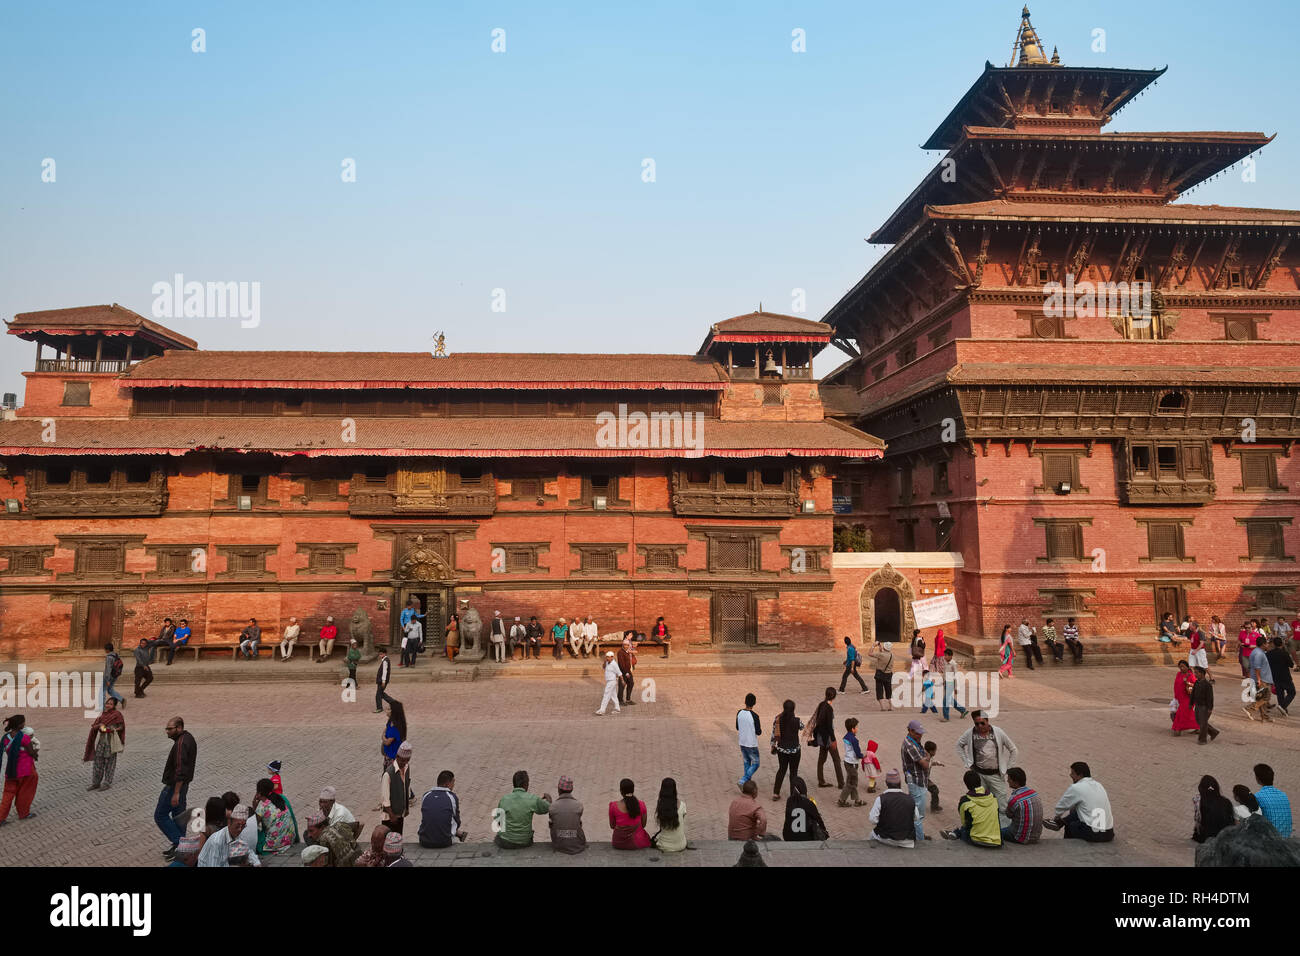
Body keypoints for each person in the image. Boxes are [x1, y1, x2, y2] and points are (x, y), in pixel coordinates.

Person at [955, 710, 1018, 823]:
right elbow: (959, 745)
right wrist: (967, 762)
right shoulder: (970, 733)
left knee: (1002, 804)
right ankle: (985, 825)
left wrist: (1008, 768)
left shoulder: (998, 732)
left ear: (988, 721)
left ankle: (1003, 830)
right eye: (976, 723)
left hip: (996, 775)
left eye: (982, 723)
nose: (979, 726)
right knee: (981, 803)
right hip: (979, 775)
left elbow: (1013, 750)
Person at [156, 716, 196, 860]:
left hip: (175, 786)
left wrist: (176, 793)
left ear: (179, 728)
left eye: (170, 729)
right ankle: (178, 846)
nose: (167, 731)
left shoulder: (180, 744)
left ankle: (182, 845)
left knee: (160, 815)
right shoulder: (188, 738)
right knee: (179, 817)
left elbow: (180, 770)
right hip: (183, 785)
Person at [1042, 762, 1115, 842]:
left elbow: (1060, 807)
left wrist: (1057, 817)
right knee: (1077, 810)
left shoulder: (1076, 787)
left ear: (1080, 775)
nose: (1070, 775)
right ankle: (1059, 823)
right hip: (1109, 833)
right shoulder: (1099, 785)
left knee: (1071, 825)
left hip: (1094, 834)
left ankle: (1066, 845)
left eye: (1072, 773)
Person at [940, 771, 1002, 847]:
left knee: (966, 827)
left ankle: (956, 833)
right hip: (997, 840)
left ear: (966, 785)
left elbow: (965, 823)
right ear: (980, 781)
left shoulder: (965, 801)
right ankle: (955, 833)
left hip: (976, 839)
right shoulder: (993, 797)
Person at [495, 770, 551, 849]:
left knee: (498, 837)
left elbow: (498, 821)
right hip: (524, 841)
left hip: (505, 842)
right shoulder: (533, 799)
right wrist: (548, 798)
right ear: (526, 784)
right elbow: (547, 808)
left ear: (514, 784)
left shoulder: (504, 799)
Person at [0, 715, 38, 823]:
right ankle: (24, 813)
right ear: (19, 725)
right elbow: (31, 753)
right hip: (26, 771)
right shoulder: (24, 737)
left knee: (8, 794)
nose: (24, 724)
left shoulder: (5, 738)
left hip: (11, 770)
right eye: (23, 722)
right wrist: (36, 753)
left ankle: (1, 817)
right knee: (25, 792)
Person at [868, 769, 920, 848]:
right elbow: (916, 818)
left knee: (871, 835)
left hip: (885, 838)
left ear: (886, 783)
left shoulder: (881, 798)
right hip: (907, 841)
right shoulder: (910, 799)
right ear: (900, 783)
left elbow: (872, 820)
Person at [83, 696, 125, 791]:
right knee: (98, 762)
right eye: (107, 703)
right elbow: (95, 725)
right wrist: (99, 726)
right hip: (101, 742)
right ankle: (96, 783)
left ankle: (107, 783)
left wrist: (112, 730)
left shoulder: (117, 715)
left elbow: (121, 727)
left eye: (110, 704)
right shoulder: (103, 715)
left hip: (111, 742)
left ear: (114, 706)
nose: (108, 705)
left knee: (110, 763)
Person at [198, 805, 262, 867]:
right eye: (237, 826)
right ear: (229, 822)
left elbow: (248, 850)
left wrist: (256, 863)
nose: (240, 829)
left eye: (243, 826)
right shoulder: (216, 841)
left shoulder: (237, 834)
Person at [418, 769, 467, 849]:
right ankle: (459, 834)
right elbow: (457, 821)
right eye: (453, 782)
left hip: (424, 841)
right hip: (445, 842)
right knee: (452, 823)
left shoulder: (426, 795)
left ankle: (458, 833)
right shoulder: (452, 797)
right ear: (448, 784)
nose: (454, 785)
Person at [900, 719, 930, 841]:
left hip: (917, 780)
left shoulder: (914, 741)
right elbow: (925, 764)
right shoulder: (910, 745)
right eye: (917, 733)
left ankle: (917, 834)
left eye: (920, 733)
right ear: (910, 731)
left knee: (914, 811)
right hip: (916, 781)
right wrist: (928, 757)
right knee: (918, 815)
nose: (920, 735)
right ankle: (919, 839)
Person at [810, 687, 844, 790]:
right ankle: (841, 783)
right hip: (827, 738)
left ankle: (821, 781)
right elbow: (829, 726)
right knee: (836, 759)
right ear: (834, 696)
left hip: (821, 737)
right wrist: (833, 740)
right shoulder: (829, 708)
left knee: (821, 759)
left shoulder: (821, 704)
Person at [770, 699, 803, 800]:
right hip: (794, 750)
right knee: (793, 773)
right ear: (793, 709)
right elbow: (802, 727)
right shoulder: (796, 720)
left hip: (782, 750)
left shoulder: (778, 719)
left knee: (781, 770)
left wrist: (772, 745)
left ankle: (776, 793)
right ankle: (793, 795)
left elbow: (773, 733)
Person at [253, 778, 296, 855]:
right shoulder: (280, 799)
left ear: (258, 793)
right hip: (290, 839)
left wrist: (254, 806)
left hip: (276, 845)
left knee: (257, 832)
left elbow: (254, 824)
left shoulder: (261, 807)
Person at [1002, 767, 1043, 845]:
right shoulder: (1034, 793)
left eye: (1009, 779)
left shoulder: (1014, 799)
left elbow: (1008, 815)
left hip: (1020, 837)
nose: (1007, 781)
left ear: (1015, 782)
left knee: (999, 831)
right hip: (1036, 836)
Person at [380, 740, 414, 834]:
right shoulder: (388, 774)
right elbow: (385, 799)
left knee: (398, 841)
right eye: (403, 760)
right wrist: (392, 815)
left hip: (400, 814)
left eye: (407, 760)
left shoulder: (407, 767)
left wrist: (406, 808)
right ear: (397, 757)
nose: (405, 763)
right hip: (390, 817)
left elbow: (405, 788)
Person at [548, 775, 587, 854]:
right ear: (571, 789)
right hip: (578, 845)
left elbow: (552, 822)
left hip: (558, 844)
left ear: (559, 789)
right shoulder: (579, 805)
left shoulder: (552, 806)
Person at [609, 778, 652, 849]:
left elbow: (612, 826)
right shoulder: (641, 804)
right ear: (633, 790)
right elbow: (643, 825)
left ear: (621, 791)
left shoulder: (613, 806)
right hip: (638, 843)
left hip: (618, 843)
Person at [783, 776, 828, 841]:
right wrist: (824, 830)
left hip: (788, 837)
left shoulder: (789, 801)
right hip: (806, 838)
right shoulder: (809, 802)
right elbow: (818, 819)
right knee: (813, 820)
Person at [1192, 775, 1234, 844]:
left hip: (1206, 838)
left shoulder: (1198, 801)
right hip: (1224, 837)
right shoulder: (1226, 802)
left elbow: (1198, 821)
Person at [1253, 764, 1292, 837]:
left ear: (1257, 779)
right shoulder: (1283, 795)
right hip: (1287, 839)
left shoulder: (1258, 797)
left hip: (1272, 842)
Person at [652, 777, 687, 852]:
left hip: (664, 846)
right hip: (681, 845)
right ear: (674, 790)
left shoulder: (661, 805)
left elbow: (661, 824)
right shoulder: (682, 805)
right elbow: (681, 820)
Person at [1244, 638, 1275, 722]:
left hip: (1262, 678)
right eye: (1267, 643)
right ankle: (1250, 708)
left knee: (1262, 698)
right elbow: (1257, 668)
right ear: (1263, 644)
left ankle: (1264, 717)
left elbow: (1250, 666)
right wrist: (1258, 679)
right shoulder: (1258, 654)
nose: (1268, 645)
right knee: (1266, 697)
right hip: (1262, 679)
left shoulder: (1256, 652)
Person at [839, 717, 865, 807]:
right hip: (852, 763)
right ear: (853, 729)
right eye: (857, 727)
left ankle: (857, 800)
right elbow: (857, 753)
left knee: (852, 781)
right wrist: (863, 756)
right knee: (851, 783)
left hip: (847, 761)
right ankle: (842, 800)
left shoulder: (846, 737)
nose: (857, 729)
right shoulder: (854, 740)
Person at [736, 692, 761, 788]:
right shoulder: (755, 716)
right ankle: (744, 780)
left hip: (742, 742)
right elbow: (759, 732)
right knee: (755, 763)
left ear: (745, 702)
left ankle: (747, 785)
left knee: (747, 762)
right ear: (754, 703)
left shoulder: (739, 713)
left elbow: (737, 727)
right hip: (751, 743)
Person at [1190, 666, 1219, 745]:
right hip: (1197, 705)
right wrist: (1191, 703)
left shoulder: (1207, 685)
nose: (1195, 674)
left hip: (1204, 706)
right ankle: (1213, 732)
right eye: (1194, 672)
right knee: (1199, 721)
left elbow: (1210, 697)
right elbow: (1193, 694)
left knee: (1203, 723)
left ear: (1202, 674)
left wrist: (1210, 708)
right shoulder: (1196, 683)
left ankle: (1202, 739)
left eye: (1196, 673)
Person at [1266, 637, 1295, 716]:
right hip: (1285, 677)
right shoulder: (1284, 653)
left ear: (1274, 644)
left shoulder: (1268, 654)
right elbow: (1291, 665)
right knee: (1292, 692)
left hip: (1275, 677)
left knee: (1280, 693)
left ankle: (1283, 709)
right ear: (1281, 644)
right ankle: (1282, 706)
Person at [1171, 661, 1200, 735]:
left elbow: (1196, 685)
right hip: (1179, 698)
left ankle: (1178, 729)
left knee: (1181, 714)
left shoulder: (1190, 675)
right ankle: (1199, 727)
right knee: (1188, 714)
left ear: (1187, 667)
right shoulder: (1178, 674)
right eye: (1180, 666)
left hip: (1188, 698)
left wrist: (1187, 683)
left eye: (1183, 666)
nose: (1181, 668)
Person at [941, 648, 968, 721]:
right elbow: (945, 672)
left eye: (946, 655)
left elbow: (956, 676)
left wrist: (957, 687)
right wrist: (943, 680)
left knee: (945, 700)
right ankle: (963, 710)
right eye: (944, 655)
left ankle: (946, 717)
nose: (945, 657)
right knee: (950, 700)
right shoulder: (945, 662)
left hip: (951, 684)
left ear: (950, 656)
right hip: (947, 683)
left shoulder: (953, 664)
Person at [868, 640, 894, 710]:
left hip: (880, 674)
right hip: (888, 674)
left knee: (879, 690)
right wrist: (879, 646)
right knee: (888, 690)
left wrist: (873, 645)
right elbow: (882, 652)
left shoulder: (881, 655)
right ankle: (890, 706)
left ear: (884, 647)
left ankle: (883, 707)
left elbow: (870, 653)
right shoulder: (892, 655)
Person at [381, 699, 406, 770]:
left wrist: (382, 736)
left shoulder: (396, 727)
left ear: (393, 712)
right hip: (388, 756)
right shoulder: (390, 722)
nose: (386, 710)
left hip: (393, 759)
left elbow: (387, 742)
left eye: (389, 709)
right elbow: (385, 730)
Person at [596, 650, 623, 715]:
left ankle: (602, 710)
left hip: (612, 681)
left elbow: (619, 673)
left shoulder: (614, 664)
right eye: (606, 657)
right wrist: (605, 661)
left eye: (608, 657)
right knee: (613, 695)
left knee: (606, 695)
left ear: (612, 657)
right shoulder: (607, 662)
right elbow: (603, 667)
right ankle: (617, 708)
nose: (607, 658)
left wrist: (622, 681)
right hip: (609, 681)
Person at [102, 643, 126, 709]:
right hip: (115, 676)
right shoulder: (116, 655)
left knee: (102, 690)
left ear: (107, 650)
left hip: (109, 676)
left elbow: (108, 669)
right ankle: (121, 699)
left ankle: (103, 706)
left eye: (105, 649)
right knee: (110, 690)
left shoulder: (109, 657)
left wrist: (107, 679)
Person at [616, 637, 637, 706]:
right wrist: (626, 673)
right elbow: (621, 664)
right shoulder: (620, 652)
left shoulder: (628, 652)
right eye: (625, 645)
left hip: (628, 671)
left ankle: (628, 699)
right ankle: (620, 700)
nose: (626, 646)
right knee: (622, 686)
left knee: (631, 684)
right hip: (623, 672)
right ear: (622, 645)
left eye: (627, 645)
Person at [923, 740, 943, 811]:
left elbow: (932, 762)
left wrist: (938, 763)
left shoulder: (928, 757)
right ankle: (934, 807)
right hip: (923, 779)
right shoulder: (925, 758)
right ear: (931, 751)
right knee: (935, 790)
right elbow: (928, 764)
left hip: (925, 778)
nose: (935, 752)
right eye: (935, 751)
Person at [374, 648, 393, 713]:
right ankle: (393, 703)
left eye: (381, 654)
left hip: (382, 681)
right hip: (381, 680)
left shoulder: (385, 661)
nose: (380, 655)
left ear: (385, 653)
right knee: (381, 693)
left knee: (378, 695)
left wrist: (383, 681)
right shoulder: (385, 660)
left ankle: (379, 708)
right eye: (379, 654)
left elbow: (384, 671)